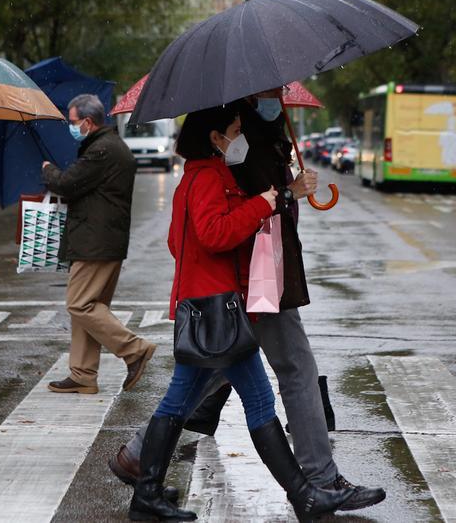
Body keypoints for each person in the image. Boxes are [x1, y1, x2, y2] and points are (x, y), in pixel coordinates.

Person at [110, 91, 386, 513]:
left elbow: (194, 233)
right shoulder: (209, 171)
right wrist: (274, 197)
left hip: (228, 295)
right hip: (232, 290)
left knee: (205, 383)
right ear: (218, 136)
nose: (240, 136)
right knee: (281, 374)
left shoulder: (218, 164)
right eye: (235, 133)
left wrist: (280, 194)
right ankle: (314, 485)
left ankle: (142, 470)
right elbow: (213, 231)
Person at [41, 94, 156, 394]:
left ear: (88, 122)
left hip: (95, 241)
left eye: (73, 121)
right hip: (104, 240)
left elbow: (67, 183)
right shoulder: (109, 146)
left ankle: (134, 349)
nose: (71, 126)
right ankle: (82, 374)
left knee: (79, 304)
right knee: (91, 306)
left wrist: (47, 170)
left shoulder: (102, 151)